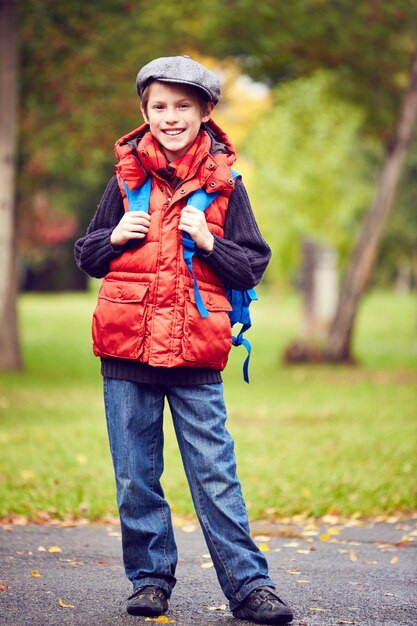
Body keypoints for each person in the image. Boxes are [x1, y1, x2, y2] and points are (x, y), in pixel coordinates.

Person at [74, 55, 293, 625]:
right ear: (144, 112)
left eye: (182, 107)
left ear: (205, 112)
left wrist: (211, 243)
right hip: (127, 352)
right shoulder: (125, 180)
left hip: (196, 355)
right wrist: (114, 235)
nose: (170, 117)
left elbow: (252, 265)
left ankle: (250, 587)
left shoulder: (225, 187)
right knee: (134, 478)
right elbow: (89, 254)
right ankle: (149, 581)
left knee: (216, 476)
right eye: (159, 107)